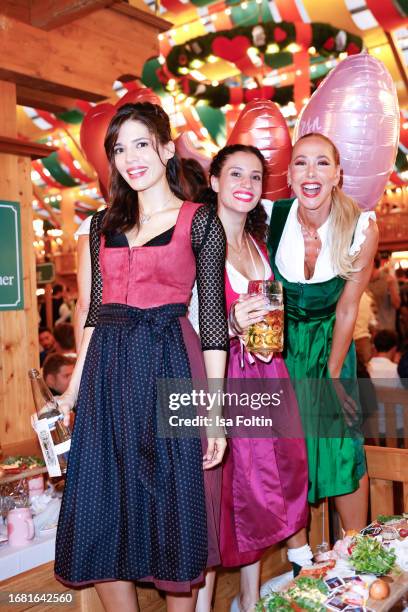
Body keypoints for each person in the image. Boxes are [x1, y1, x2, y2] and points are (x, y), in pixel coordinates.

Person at [54, 102, 228, 612]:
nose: (130, 157)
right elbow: (91, 313)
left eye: (140, 144)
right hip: (107, 374)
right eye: (118, 147)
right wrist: (72, 390)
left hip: (170, 366)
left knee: (175, 509)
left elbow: (213, 323)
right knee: (101, 507)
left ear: (167, 149)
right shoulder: (97, 224)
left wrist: (214, 413)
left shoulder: (200, 222)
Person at [196, 144, 309, 612]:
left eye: (255, 177)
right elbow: (182, 323)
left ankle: (248, 599)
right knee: (217, 497)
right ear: (214, 182)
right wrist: (230, 323)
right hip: (219, 378)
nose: (246, 184)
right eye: (235, 174)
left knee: (261, 493)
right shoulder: (199, 241)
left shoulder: (258, 246)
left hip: (265, 374)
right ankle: (201, 607)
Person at [266, 133, 378, 532]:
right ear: (289, 175)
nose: (310, 172)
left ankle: (354, 547)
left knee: (340, 443)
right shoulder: (271, 215)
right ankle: (300, 555)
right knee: (287, 446)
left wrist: (332, 374)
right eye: (300, 162)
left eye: (321, 163)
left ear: (338, 175)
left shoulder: (361, 226)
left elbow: (348, 307)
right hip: (281, 348)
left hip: (333, 341)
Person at [368, 254, 400, 333]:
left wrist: (391, 286)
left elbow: (397, 304)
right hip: (367, 331)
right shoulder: (362, 281)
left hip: (385, 329)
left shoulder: (388, 279)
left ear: (373, 263)